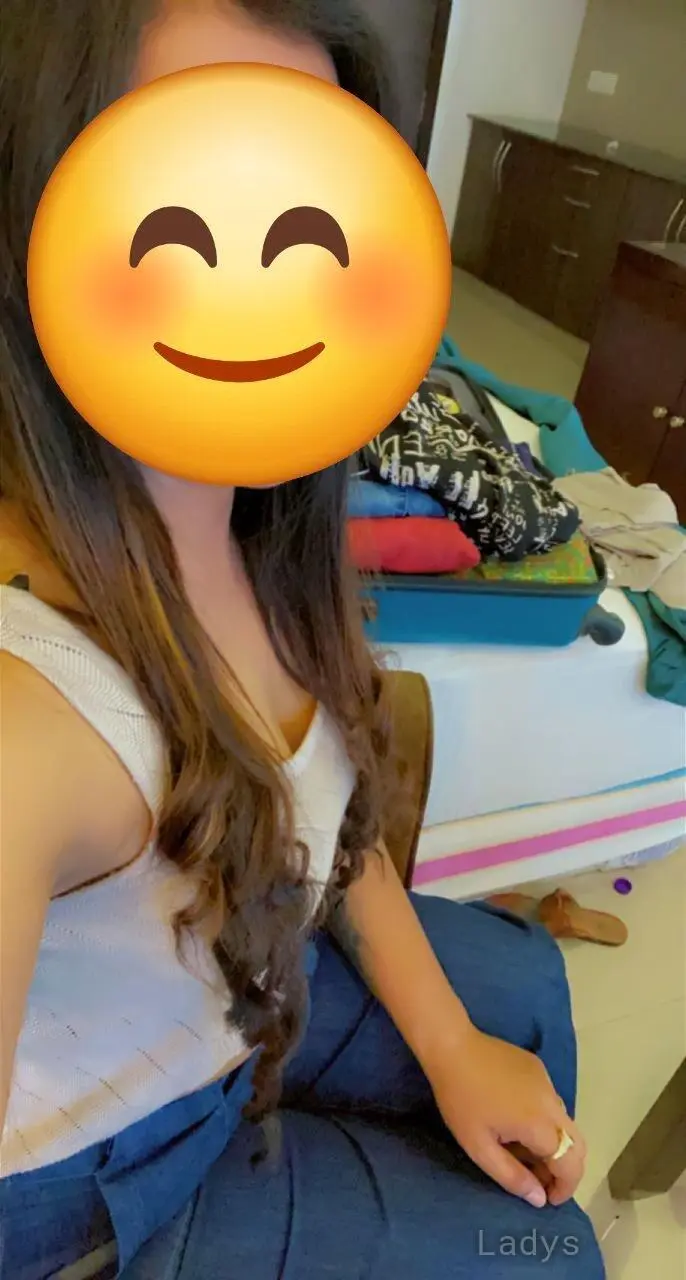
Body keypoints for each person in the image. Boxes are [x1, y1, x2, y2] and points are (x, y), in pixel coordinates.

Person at [0, 2, 606, 1276]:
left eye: (311, 204)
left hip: (234, 987)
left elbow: (309, 799)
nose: (259, 286)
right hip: (94, 1171)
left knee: (523, 991)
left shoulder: (263, 515)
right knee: (544, 1254)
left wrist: (449, 1045)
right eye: (179, 204)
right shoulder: (23, 718)